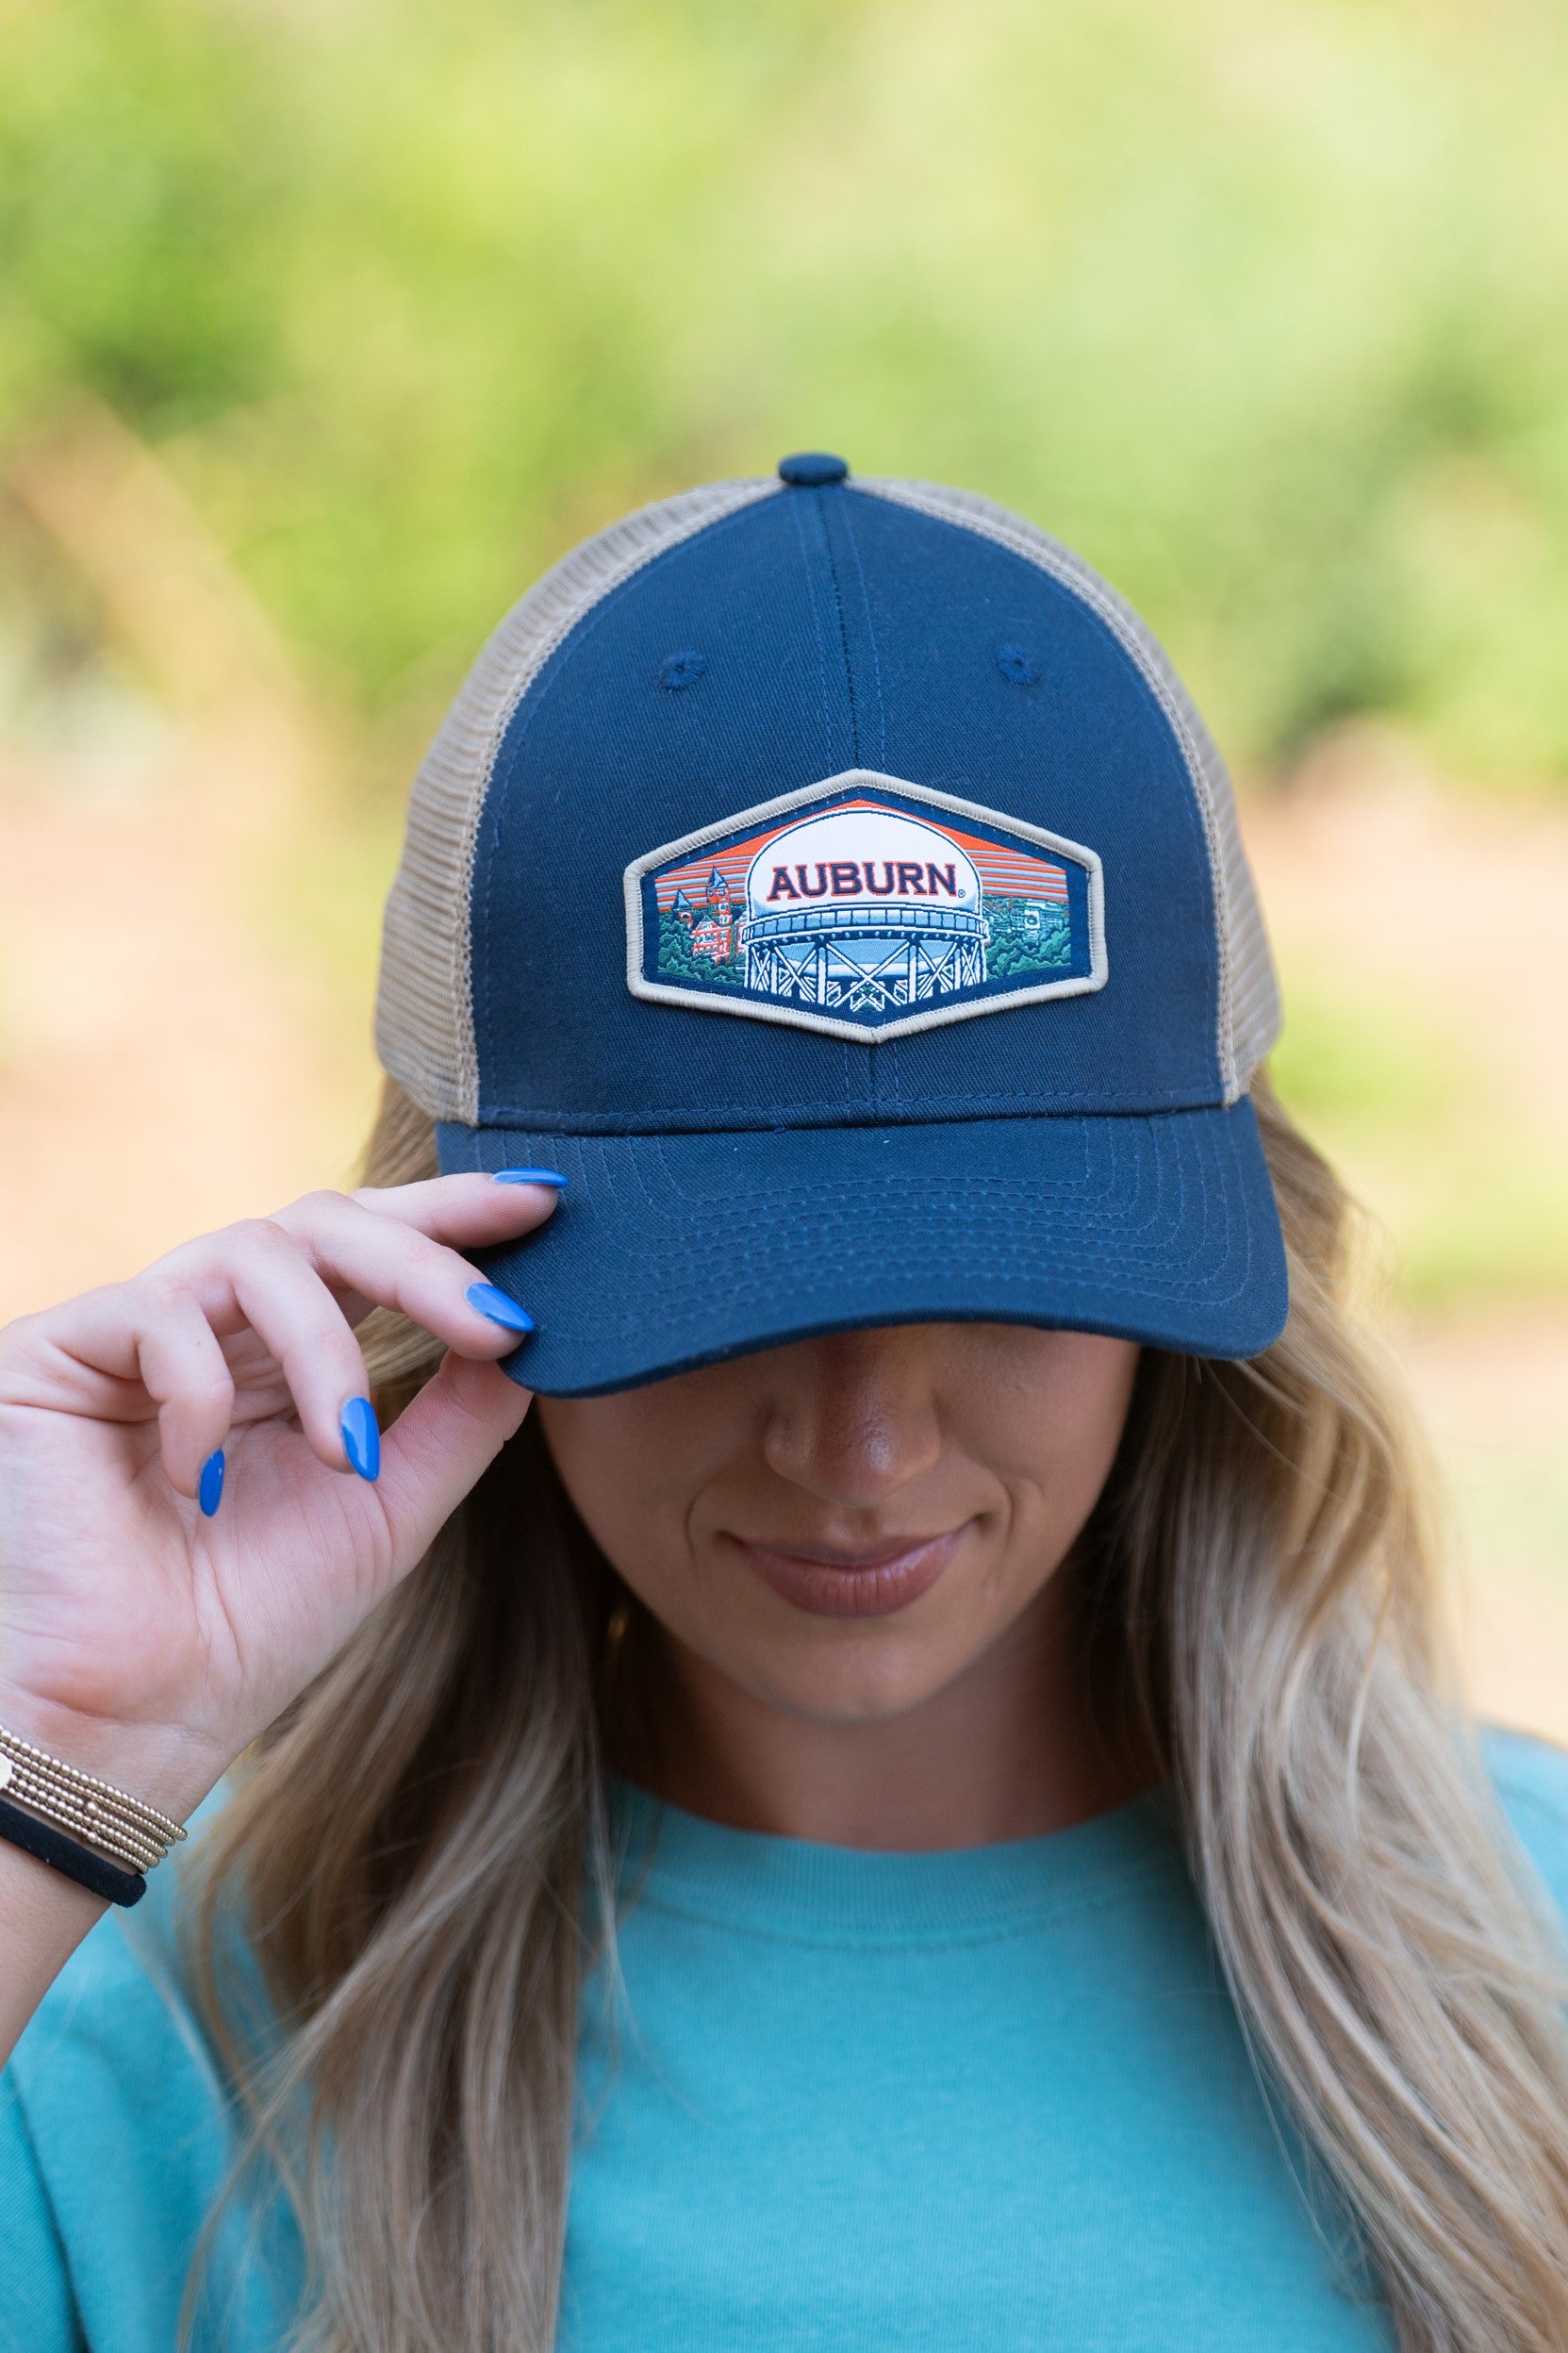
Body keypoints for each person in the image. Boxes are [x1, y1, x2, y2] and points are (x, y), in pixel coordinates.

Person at [2, 453, 1566, 2353]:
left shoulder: (1533, 1952)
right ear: (442, 1271)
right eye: (717, 1302)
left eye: (999, 1287)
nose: (861, 1450)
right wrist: (47, 1735)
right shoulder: (119, 2005)